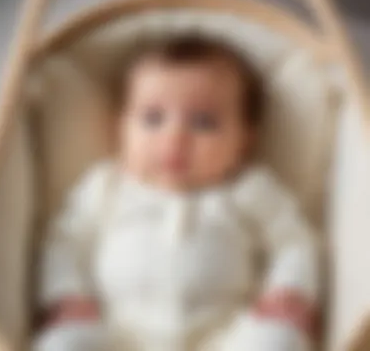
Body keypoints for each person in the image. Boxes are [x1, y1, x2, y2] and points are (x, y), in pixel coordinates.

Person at [33, 34, 319, 351]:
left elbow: (294, 240)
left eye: (203, 122)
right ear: (121, 129)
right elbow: (66, 241)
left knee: (279, 340)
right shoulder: (106, 185)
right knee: (64, 343)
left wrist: (288, 289)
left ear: (245, 140)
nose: (176, 137)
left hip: (226, 337)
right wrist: (66, 293)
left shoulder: (248, 189)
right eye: (153, 118)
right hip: (117, 336)